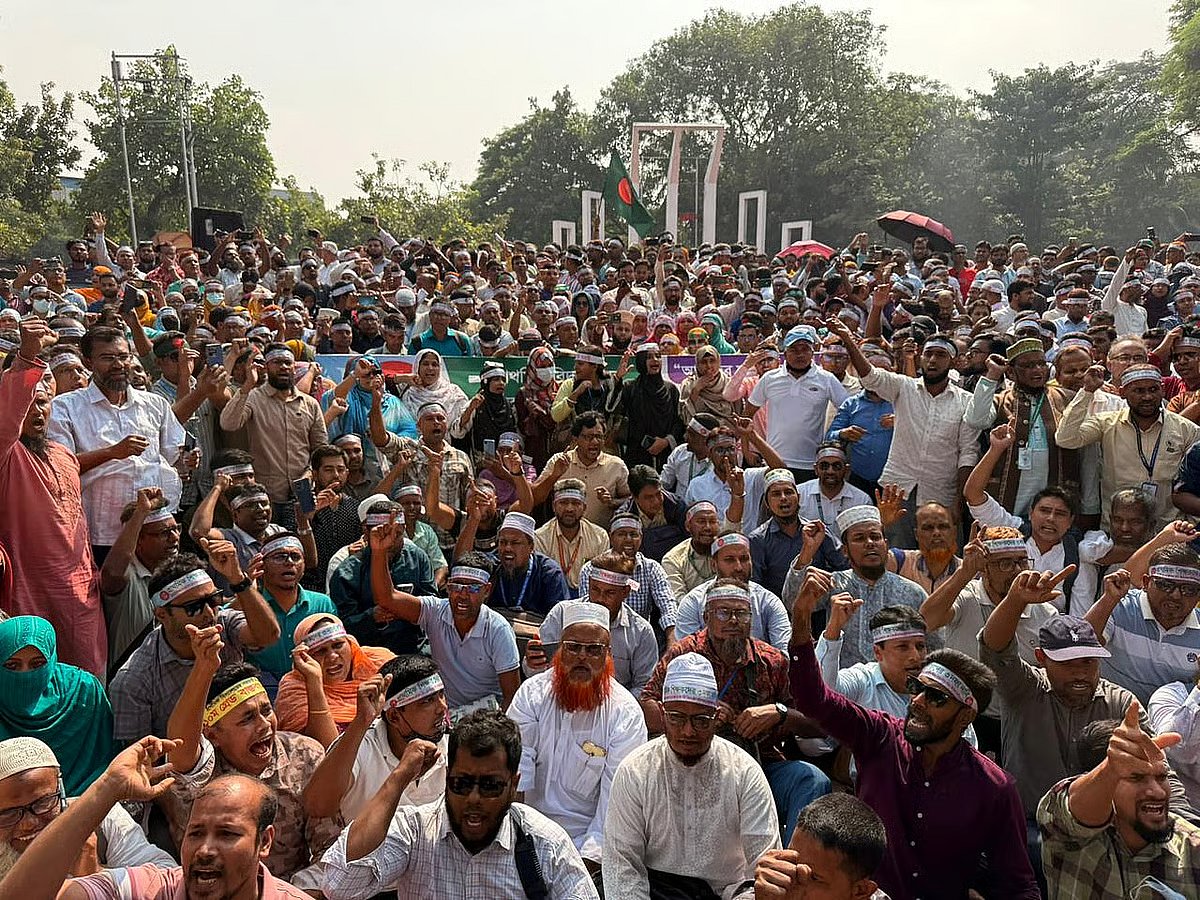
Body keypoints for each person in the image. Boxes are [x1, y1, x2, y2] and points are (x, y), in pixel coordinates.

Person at [787, 570, 1041, 900]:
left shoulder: (993, 787)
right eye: (917, 689)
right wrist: (802, 618)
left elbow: (1017, 884)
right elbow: (813, 699)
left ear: (965, 716)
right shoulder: (880, 736)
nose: (918, 702)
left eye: (936, 698)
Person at [321, 710, 598, 899]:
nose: (474, 799)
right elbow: (341, 887)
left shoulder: (544, 844)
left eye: (490, 786)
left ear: (513, 785)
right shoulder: (414, 832)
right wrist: (398, 778)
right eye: (461, 784)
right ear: (447, 776)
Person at [0, 736, 316, 900]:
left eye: (227, 834)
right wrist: (107, 789)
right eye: (195, 833)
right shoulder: (148, 890)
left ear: (265, 842)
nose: (205, 849)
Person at [164, 634, 339, 891]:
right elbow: (179, 749)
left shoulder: (304, 755)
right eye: (247, 719)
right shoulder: (200, 772)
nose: (264, 725)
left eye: (266, 710)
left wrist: (286, 894)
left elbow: (330, 851)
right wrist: (204, 667)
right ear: (213, 734)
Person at [603, 652, 781, 899]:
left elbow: (764, 869)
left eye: (700, 720)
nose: (688, 731)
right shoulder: (635, 771)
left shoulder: (744, 773)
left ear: (716, 716)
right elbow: (622, 866)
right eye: (676, 718)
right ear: (663, 714)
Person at [508, 601, 647, 875]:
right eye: (573, 647)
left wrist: (581, 869)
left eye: (594, 650)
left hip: (590, 849)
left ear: (608, 655)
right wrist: (519, 849)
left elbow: (615, 806)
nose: (583, 657)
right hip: (526, 836)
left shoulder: (625, 713)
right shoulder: (531, 695)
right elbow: (515, 778)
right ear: (560, 650)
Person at [0, 322, 105, 678]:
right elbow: (7, 419)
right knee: (33, 681)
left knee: (86, 681)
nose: (36, 411)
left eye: (42, 403)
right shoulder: (7, 455)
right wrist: (27, 355)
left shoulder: (63, 454)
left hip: (81, 594)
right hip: (28, 592)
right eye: (28, 404)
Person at [824, 317, 979, 549]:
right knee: (896, 554)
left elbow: (968, 454)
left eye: (940, 355)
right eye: (928, 354)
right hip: (897, 492)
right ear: (920, 357)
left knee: (940, 555)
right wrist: (847, 338)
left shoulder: (966, 402)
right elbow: (870, 376)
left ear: (953, 361)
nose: (933, 360)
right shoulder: (904, 387)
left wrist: (959, 500)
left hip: (941, 494)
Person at [109, 551, 281, 746]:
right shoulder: (134, 681)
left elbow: (268, 635)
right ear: (162, 614)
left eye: (213, 600)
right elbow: (142, 759)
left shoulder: (223, 623)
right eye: (194, 607)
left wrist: (239, 580)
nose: (209, 613)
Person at [1037, 705, 1200, 898]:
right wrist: (1112, 767)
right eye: (1136, 778)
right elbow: (1065, 812)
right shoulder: (1070, 841)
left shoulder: (1193, 851)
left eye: (1161, 776)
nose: (1157, 791)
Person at [370, 529, 521, 717]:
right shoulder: (435, 611)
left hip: (488, 715)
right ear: (448, 587)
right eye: (456, 586)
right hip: (444, 713)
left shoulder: (498, 629)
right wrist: (379, 552)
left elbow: (512, 696)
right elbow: (387, 598)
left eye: (473, 588)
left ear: (487, 590)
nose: (463, 595)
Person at [0, 736, 174, 880]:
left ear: (60, 791)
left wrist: (94, 872)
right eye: (9, 813)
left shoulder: (102, 819)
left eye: (41, 803)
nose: (29, 823)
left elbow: (168, 879)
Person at [300, 654, 449, 822]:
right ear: (394, 717)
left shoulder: (451, 743)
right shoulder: (359, 746)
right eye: (428, 701)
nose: (442, 707)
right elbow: (317, 806)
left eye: (441, 695)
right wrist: (361, 720)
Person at [1056, 363, 1200, 530]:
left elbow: (1192, 487)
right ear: (1123, 393)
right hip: (1118, 531)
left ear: (1162, 390)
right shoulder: (1107, 423)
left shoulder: (1186, 429)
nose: (1147, 397)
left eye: (1153, 390)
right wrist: (1087, 391)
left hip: (1166, 530)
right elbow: (1065, 439)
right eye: (1138, 391)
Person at [782, 506, 927, 669]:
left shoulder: (913, 593)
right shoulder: (833, 583)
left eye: (875, 537)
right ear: (845, 550)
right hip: (841, 685)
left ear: (885, 544)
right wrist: (806, 553)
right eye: (859, 538)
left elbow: (932, 647)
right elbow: (792, 601)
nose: (870, 543)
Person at [0, 617, 113, 797]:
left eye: (37, 664)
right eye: (12, 665)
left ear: (51, 660)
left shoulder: (83, 690)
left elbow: (107, 757)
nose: (25, 674)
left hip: (93, 803)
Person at [528, 549, 662, 698]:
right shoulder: (562, 614)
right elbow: (536, 674)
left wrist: (613, 705)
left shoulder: (641, 632)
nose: (600, 599)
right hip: (560, 699)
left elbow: (644, 686)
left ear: (625, 592)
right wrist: (532, 663)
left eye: (609, 593)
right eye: (595, 589)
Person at [1084, 539, 1200, 703]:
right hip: (1110, 712)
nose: (1176, 595)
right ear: (1146, 583)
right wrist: (1108, 600)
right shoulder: (1119, 604)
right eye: (1165, 585)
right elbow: (1080, 645)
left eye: (1188, 589)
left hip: (1169, 722)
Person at [219, 343, 329, 515]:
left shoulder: (309, 404)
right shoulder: (253, 397)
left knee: (303, 537)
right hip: (266, 495)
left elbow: (320, 450)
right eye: (277, 362)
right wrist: (248, 385)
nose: (283, 367)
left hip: (303, 493)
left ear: (294, 367)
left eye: (287, 362)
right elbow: (228, 423)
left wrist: (308, 475)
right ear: (266, 366)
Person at [328, 499, 436, 656]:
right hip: (369, 655)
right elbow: (341, 627)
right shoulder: (347, 572)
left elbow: (433, 607)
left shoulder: (418, 558)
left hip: (415, 651)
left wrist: (407, 608)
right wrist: (372, 617)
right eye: (384, 534)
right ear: (366, 532)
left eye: (397, 534)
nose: (390, 541)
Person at [744, 325, 849, 481]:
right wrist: (747, 451)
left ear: (813, 353)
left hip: (812, 464)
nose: (800, 354)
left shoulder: (826, 379)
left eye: (805, 349)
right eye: (794, 349)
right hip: (774, 463)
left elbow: (848, 410)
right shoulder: (769, 379)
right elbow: (746, 417)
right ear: (785, 353)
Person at [737, 793, 889, 900]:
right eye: (791, 863)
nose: (792, 880)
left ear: (860, 891)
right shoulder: (764, 894)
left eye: (814, 878)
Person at [273, 613, 394, 747]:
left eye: (338, 645)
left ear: (350, 644)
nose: (332, 656)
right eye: (320, 651)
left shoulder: (380, 662)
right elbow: (326, 748)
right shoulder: (294, 688)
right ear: (304, 657)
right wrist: (314, 681)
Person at [100, 489, 181, 671]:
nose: (175, 538)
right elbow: (112, 573)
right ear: (139, 540)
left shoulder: (178, 576)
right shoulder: (128, 578)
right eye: (164, 533)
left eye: (176, 529)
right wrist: (141, 513)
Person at [676, 532, 793, 651]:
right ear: (714, 565)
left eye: (744, 559)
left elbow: (784, 652)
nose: (738, 567)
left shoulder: (768, 601)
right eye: (729, 560)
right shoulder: (694, 602)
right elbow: (686, 654)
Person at [246, 533, 339, 681]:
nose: (289, 562)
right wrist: (245, 589)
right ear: (261, 565)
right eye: (280, 557)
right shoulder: (247, 606)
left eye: (295, 557)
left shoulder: (323, 604)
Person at [579, 516, 678, 649]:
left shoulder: (651, 568)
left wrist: (672, 640)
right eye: (621, 534)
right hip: (597, 632)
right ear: (611, 537)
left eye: (633, 534)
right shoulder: (591, 569)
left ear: (641, 538)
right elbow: (587, 608)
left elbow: (668, 604)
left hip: (639, 636)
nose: (628, 539)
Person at [534, 412, 630, 529]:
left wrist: (612, 502)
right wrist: (554, 476)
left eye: (599, 437)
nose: (594, 442)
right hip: (561, 536)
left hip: (602, 539)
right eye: (588, 437)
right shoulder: (558, 461)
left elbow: (630, 500)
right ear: (575, 439)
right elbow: (535, 497)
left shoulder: (616, 466)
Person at [534, 479, 611, 596]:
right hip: (551, 597)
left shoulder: (599, 536)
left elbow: (601, 580)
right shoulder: (540, 537)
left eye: (575, 503)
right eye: (563, 502)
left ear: (584, 508)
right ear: (554, 507)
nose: (569, 509)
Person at [488, 511, 570, 617]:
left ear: (531, 547)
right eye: (502, 542)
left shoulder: (550, 573)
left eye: (515, 543)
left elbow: (560, 618)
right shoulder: (490, 566)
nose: (507, 548)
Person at [796, 444, 871, 537]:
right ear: (816, 469)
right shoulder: (799, 493)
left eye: (837, 466)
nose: (830, 471)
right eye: (824, 466)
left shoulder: (862, 500)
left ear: (846, 470)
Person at [660, 413, 718, 502]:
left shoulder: (718, 463)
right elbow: (664, 483)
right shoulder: (680, 452)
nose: (685, 437)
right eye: (687, 432)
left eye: (692, 435)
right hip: (678, 511)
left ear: (706, 440)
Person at [681, 345, 738, 423]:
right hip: (700, 431)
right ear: (697, 364)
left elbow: (739, 413)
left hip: (728, 430)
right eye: (704, 362)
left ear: (719, 362)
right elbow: (684, 416)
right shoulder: (688, 385)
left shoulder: (727, 383)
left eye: (712, 361)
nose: (709, 366)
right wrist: (696, 389)